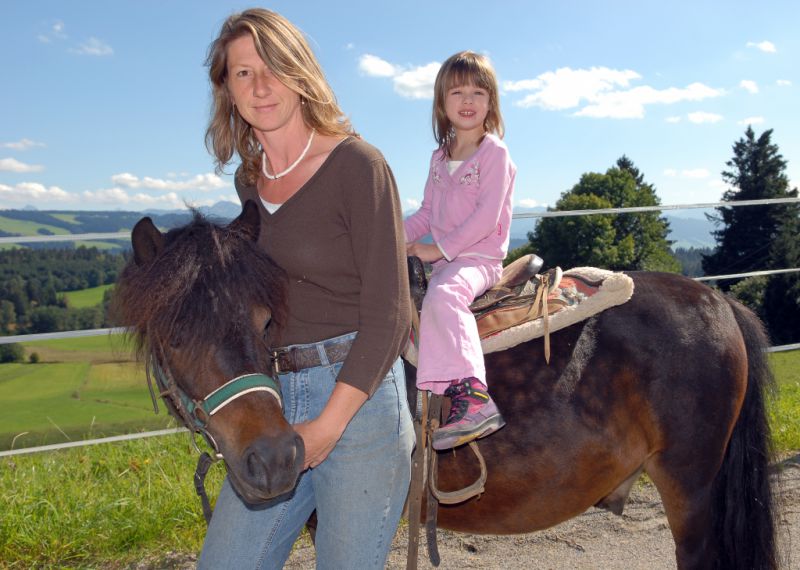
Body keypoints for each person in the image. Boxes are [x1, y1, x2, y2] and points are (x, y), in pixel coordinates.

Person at [198, 9, 414, 569]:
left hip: (358, 402)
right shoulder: (250, 181)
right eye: (242, 74)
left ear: (300, 73)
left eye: (272, 67)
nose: (260, 85)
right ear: (228, 91)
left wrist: (327, 425)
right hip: (271, 402)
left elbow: (391, 313)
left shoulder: (357, 165)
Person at [404, 51, 514, 451]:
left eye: (478, 92)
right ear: (442, 103)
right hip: (447, 255)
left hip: (478, 259)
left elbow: (487, 218)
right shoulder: (439, 158)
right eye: (457, 92)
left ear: (491, 102)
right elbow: (426, 214)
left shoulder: (494, 154)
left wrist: (438, 250)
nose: (468, 101)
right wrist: (390, 236)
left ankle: (474, 397)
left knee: (446, 294)